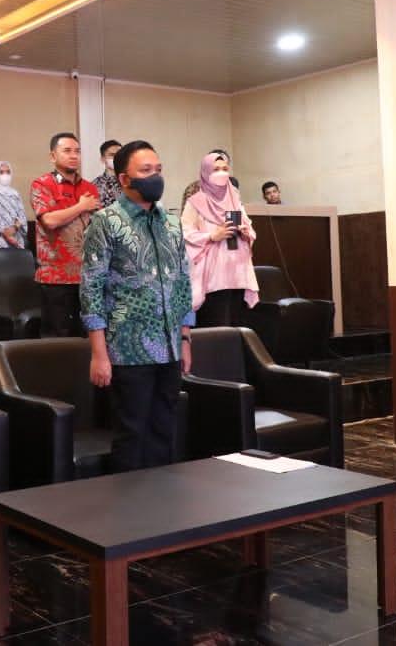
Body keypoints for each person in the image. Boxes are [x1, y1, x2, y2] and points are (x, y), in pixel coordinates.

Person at [81, 140, 193, 472]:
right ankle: (129, 503)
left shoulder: (171, 222)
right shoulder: (106, 221)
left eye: (158, 170)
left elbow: (183, 281)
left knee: (164, 430)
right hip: (127, 347)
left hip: (170, 346)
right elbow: (91, 288)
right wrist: (99, 353)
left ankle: (162, 498)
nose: (155, 176)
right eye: (146, 170)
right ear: (124, 179)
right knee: (131, 434)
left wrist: (185, 338)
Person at [31, 132, 100, 337]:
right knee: (58, 338)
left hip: (87, 275)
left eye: (77, 151)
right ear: (53, 156)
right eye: (67, 151)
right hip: (56, 277)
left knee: (87, 335)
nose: (74, 156)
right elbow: (50, 221)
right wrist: (81, 206)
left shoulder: (89, 187)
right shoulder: (42, 184)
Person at [183, 151, 259, 327]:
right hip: (213, 274)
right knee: (217, 321)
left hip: (237, 270)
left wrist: (245, 231)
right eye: (216, 169)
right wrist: (211, 236)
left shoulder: (234, 199)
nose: (222, 173)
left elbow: (249, 228)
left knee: (236, 323)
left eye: (225, 169)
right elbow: (185, 233)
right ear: (205, 172)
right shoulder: (196, 202)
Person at [91, 139, 123, 208]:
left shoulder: (131, 180)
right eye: (112, 155)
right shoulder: (95, 185)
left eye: (119, 155)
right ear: (103, 159)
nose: (116, 158)